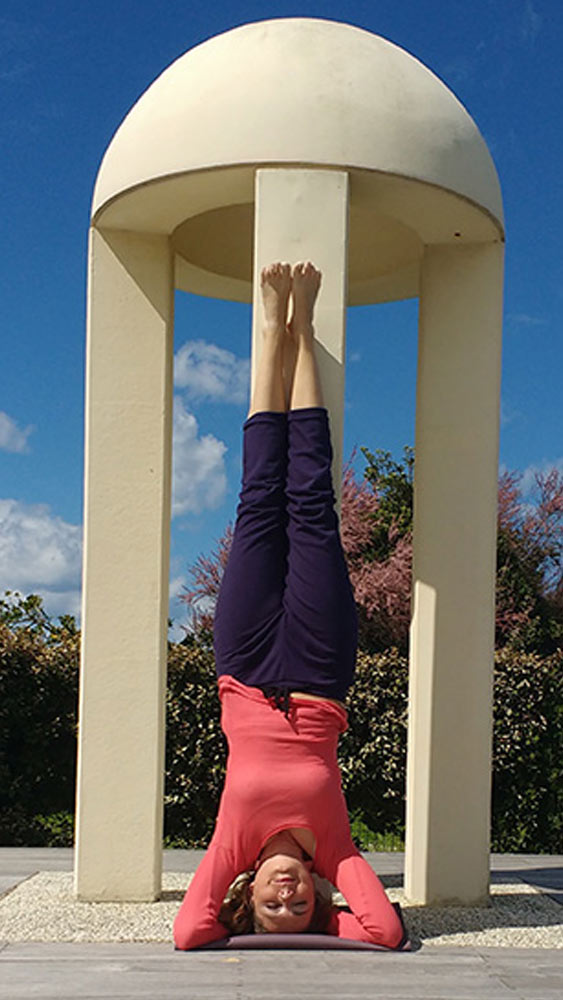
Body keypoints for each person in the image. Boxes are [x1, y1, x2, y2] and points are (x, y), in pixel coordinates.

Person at [173, 262, 406, 950]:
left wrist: (247, 924)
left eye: (275, 909)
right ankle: (303, 331)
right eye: (300, 906)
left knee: (256, 508)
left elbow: (189, 934)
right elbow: (384, 931)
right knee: (311, 509)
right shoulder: (332, 850)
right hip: (320, 670)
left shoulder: (230, 847)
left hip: (242, 667)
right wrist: (332, 916)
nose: (288, 896)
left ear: (245, 897)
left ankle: (271, 331)